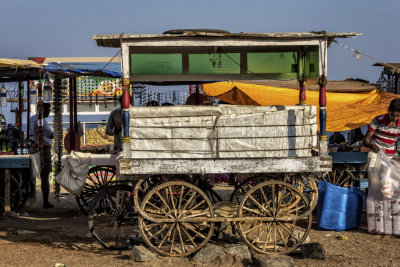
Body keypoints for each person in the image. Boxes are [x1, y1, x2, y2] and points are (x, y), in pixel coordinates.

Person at [29, 102, 54, 209]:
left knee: (36, 175)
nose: (49, 112)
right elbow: (50, 134)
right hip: (43, 149)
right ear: (42, 109)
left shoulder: (32, 118)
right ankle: (45, 202)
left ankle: (36, 200)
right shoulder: (41, 120)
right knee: (45, 176)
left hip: (35, 148)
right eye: (48, 110)